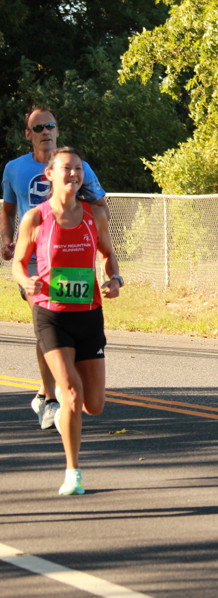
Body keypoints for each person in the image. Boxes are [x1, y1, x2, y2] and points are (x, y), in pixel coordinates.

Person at [11, 147, 122, 495]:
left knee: (94, 405)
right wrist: (25, 281)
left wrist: (115, 279)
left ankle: (64, 404)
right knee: (72, 394)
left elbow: (108, 254)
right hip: (51, 316)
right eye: (66, 168)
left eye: (78, 169)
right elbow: (18, 263)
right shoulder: (36, 218)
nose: (74, 174)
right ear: (50, 174)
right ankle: (73, 473)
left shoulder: (94, 215)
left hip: (88, 315)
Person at [1, 106, 108, 430]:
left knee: (62, 321)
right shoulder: (14, 168)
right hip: (34, 258)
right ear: (28, 134)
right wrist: (6, 238)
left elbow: (100, 204)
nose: (45, 131)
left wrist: (92, 231)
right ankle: (50, 396)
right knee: (44, 316)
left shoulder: (77, 167)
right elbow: (8, 208)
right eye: (38, 128)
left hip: (70, 258)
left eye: (50, 126)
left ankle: (54, 384)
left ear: (57, 130)